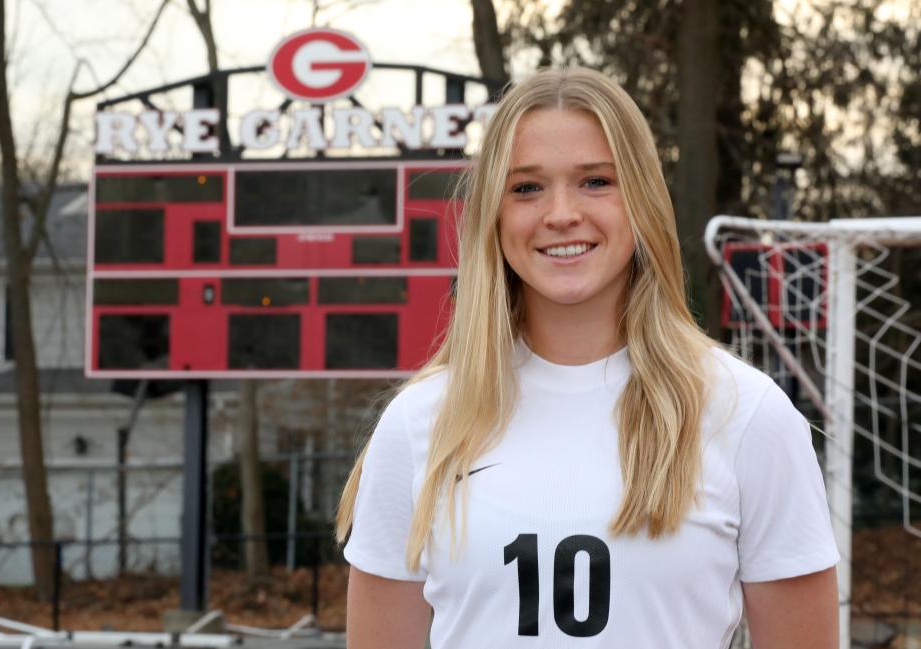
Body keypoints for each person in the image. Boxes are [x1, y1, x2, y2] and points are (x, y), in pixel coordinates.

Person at [335, 67, 840, 649]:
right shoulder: (421, 423)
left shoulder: (746, 414)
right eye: (526, 187)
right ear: (492, 217)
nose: (561, 214)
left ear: (643, 199)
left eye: (596, 181)